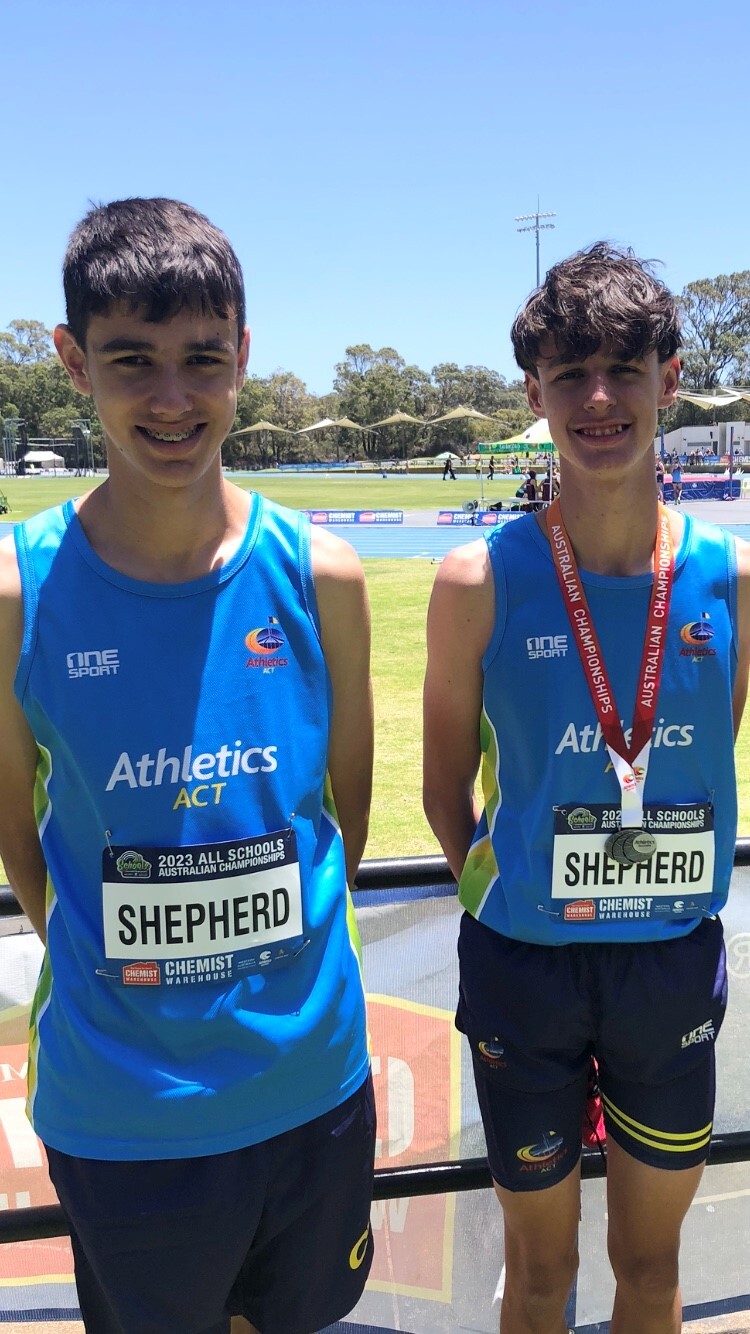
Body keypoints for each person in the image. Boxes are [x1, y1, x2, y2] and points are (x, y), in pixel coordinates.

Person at [0, 198, 376, 1334]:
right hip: (125, 1112)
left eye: (202, 358)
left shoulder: (321, 574)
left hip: (310, 1089)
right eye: (132, 360)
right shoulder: (18, 592)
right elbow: (18, 841)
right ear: (73, 361)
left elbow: (343, 821)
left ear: (243, 357)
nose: (172, 398)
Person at [423, 242, 750, 1334]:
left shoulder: (731, 577)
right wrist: (512, 895)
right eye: (570, 374)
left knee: (651, 1269)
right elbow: (441, 787)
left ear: (670, 378)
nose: (599, 398)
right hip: (524, 967)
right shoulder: (478, 577)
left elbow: (700, 749)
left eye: (624, 369)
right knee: (540, 1272)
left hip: (668, 964)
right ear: (535, 394)